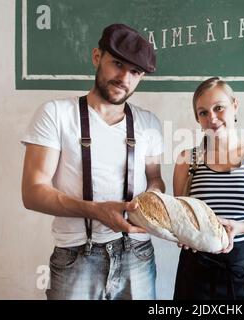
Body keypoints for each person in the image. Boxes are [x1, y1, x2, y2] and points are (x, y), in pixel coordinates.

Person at [21, 23, 165, 300]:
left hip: (138, 254)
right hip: (75, 255)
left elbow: (155, 179)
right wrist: (96, 210)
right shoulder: (55, 114)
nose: (124, 77)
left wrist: (152, 200)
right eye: (117, 64)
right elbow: (32, 192)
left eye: (135, 72)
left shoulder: (150, 123)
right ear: (97, 57)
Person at [172, 77, 244, 300]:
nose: (212, 117)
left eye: (219, 107)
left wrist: (239, 227)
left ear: (235, 105)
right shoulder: (187, 159)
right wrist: (181, 233)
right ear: (198, 119)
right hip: (197, 273)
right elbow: (180, 219)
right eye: (203, 112)